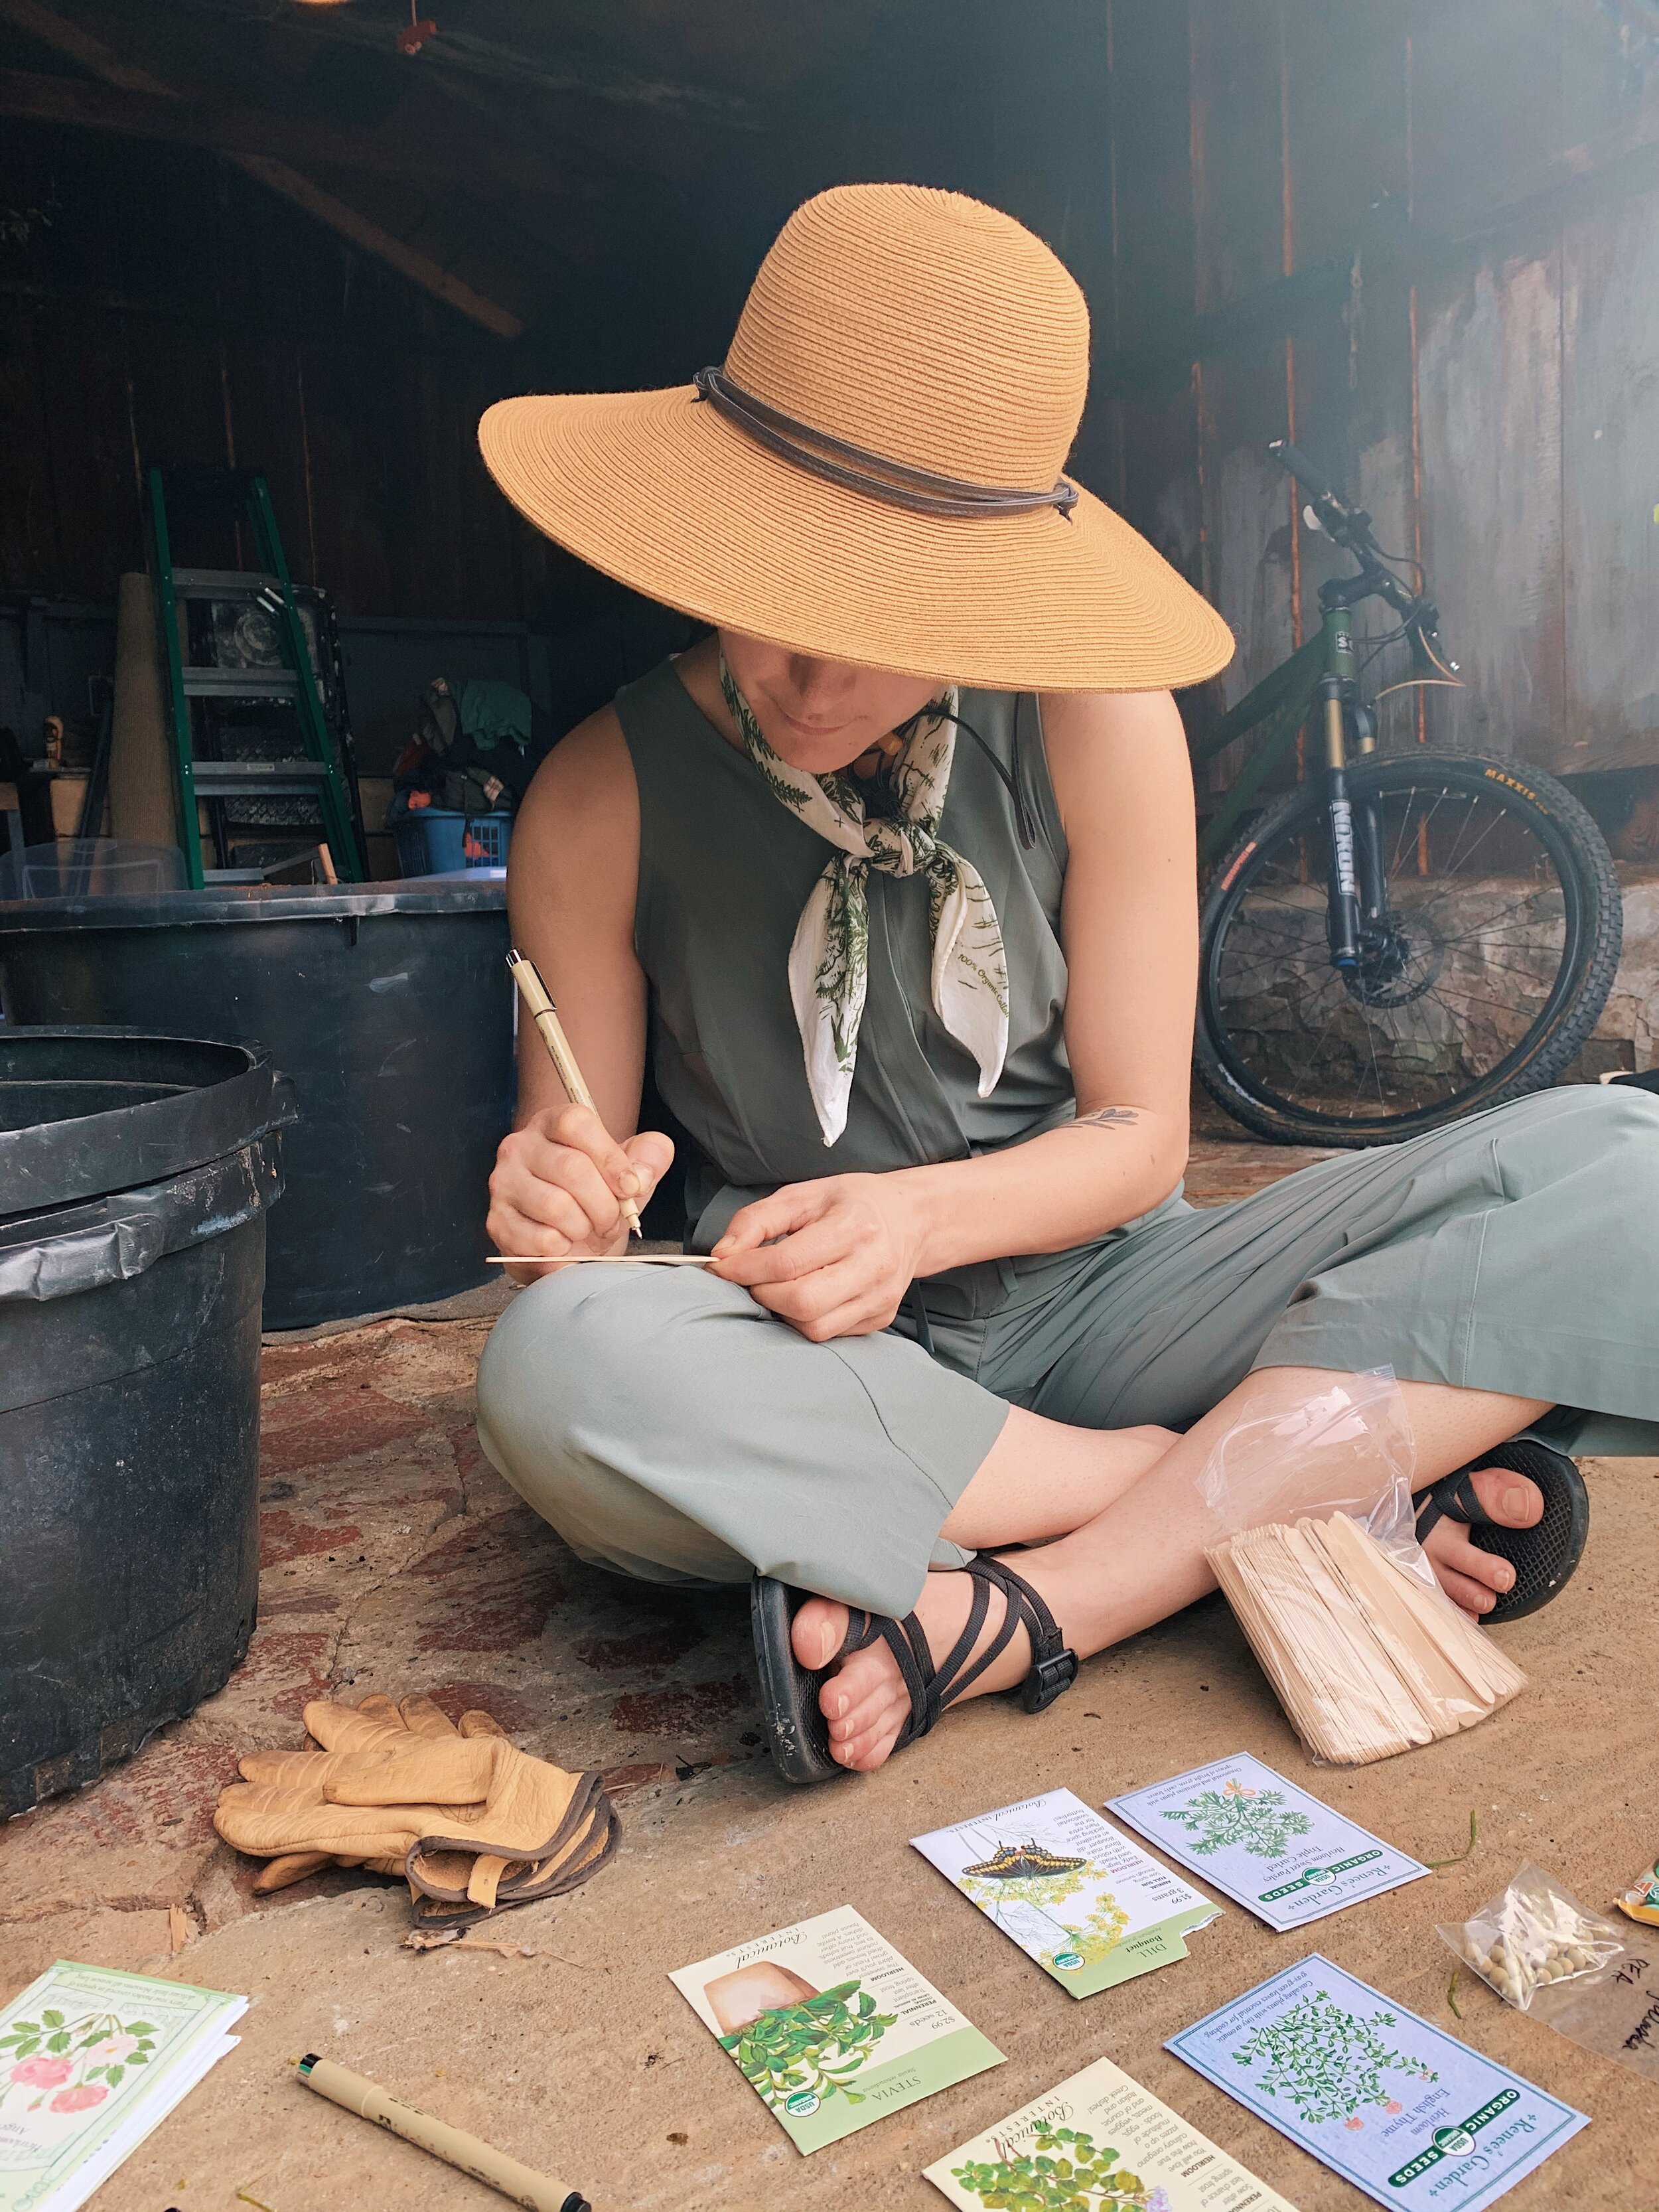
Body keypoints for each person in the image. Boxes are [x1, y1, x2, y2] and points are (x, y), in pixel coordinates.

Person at [472, 183, 1653, 1786]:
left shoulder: (1092, 716)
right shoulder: (595, 796)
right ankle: (1236, 1488)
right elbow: (583, 1195)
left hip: (1113, 1294)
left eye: (874, 618)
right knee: (562, 1369)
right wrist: (559, 1200)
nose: (809, 678)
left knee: (1620, 1167)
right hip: (809, 1350)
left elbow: (1136, 1136)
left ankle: (1037, 1600)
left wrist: (913, 1218)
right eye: (775, 599)